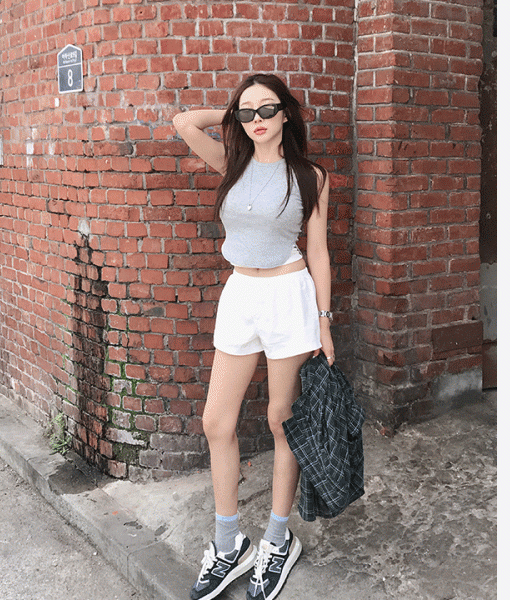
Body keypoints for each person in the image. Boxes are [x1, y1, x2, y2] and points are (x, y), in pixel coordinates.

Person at [172, 73, 335, 600]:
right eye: (247, 112)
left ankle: (277, 540)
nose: (258, 119)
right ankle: (229, 545)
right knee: (216, 422)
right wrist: (231, 116)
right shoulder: (232, 163)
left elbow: (318, 250)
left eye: (268, 109)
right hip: (241, 294)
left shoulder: (310, 176)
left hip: (289, 296)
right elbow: (183, 122)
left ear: (287, 112)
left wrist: (324, 320)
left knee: (281, 421)